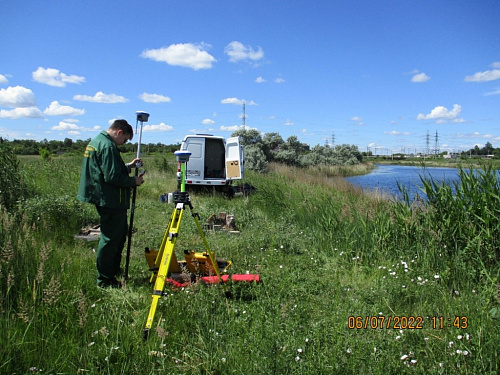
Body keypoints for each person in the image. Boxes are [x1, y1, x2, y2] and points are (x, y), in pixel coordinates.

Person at [77, 119, 144, 288]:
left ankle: (112, 271)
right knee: (111, 240)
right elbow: (112, 177)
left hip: (108, 198)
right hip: (111, 200)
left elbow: (107, 169)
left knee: (119, 236)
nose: (124, 143)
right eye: (125, 139)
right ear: (119, 132)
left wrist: (128, 166)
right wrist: (133, 181)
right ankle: (105, 280)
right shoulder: (107, 146)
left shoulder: (98, 142)